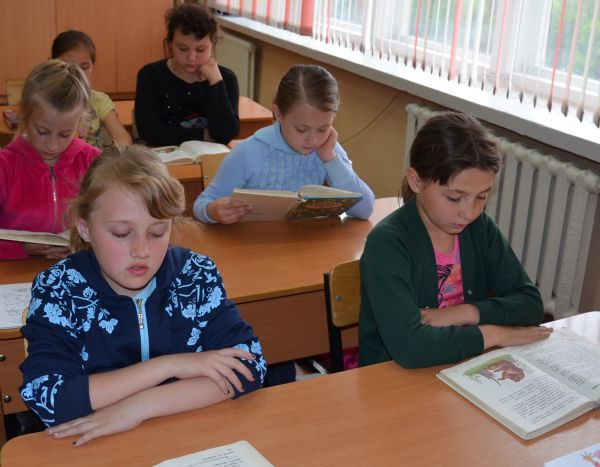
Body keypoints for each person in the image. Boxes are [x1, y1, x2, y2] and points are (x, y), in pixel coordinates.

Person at [19, 145, 266, 447]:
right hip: (91, 447)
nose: (141, 251)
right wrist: (171, 366)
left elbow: (248, 367)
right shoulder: (60, 288)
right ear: (85, 228)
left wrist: (139, 407)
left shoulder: (195, 275)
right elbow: (50, 399)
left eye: (157, 232)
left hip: (182, 434)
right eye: (122, 233)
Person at [359, 112, 552, 369]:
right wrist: (495, 334)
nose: (469, 213)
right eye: (454, 197)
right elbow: (410, 347)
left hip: (464, 365)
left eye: (481, 197)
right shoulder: (388, 243)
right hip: (394, 377)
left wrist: (464, 313)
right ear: (416, 181)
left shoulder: (480, 229)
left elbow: (530, 304)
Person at [194, 64, 375, 224]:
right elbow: (201, 204)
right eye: (301, 129)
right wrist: (213, 212)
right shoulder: (248, 152)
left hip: (305, 245)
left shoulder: (327, 149)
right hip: (254, 246)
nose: (313, 140)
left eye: (323, 129)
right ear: (278, 114)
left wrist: (331, 159)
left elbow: (365, 209)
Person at [0, 59, 101, 260]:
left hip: (79, 269)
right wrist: (21, 249)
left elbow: (114, 225)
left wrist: (85, 245)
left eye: (65, 134)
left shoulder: (94, 163)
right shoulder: (5, 166)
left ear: (80, 123)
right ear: (24, 114)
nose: (52, 146)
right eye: (42, 131)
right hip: (17, 274)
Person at [135, 3, 239, 146]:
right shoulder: (150, 76)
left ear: (212, 45)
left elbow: (226, 134)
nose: (191, 57)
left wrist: (215, 81)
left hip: (210, 156)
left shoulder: (226, 79)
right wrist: (201, 135)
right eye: (183, 48)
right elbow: (149, 132)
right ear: (170, 44)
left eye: (200, 49)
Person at [51, 30, 133, 148]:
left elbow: (121, 135)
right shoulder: (43, 100)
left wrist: (122, 152)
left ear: (93, 66)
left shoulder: (98, 100)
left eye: (85, 67)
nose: (78, 73)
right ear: (51, 64)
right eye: (70, 66)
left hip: (93, 159)